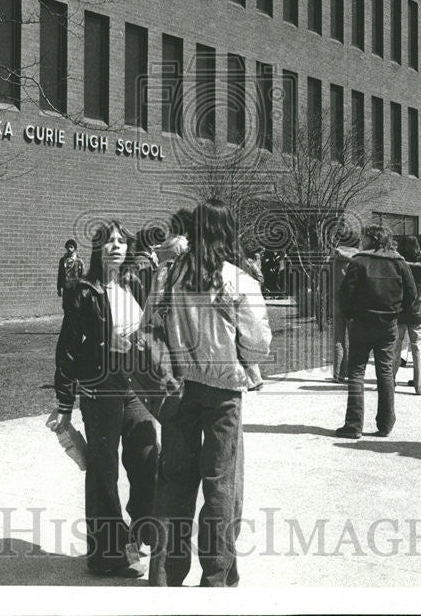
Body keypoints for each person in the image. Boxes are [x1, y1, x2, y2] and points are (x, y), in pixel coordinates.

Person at [148, 199, 271, 587]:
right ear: (228, 232)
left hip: (179, 386)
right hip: (223, 392)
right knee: (220, 483)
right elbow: (257, 344)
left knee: (174, 480)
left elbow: (151, 324)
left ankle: (166, 573)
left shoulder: (168, 276)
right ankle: (216, 575)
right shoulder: (239, 281)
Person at [48, 220, 161, 578]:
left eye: (120, 241)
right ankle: (106, 555)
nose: (116, 246)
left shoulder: (131, 287)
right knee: (103, 470)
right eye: (108, 241)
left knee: (147, 454)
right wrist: (65, 402)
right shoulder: (84, 292)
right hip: (100, 392)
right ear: (98, 249)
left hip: (133, 389)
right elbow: (67, 349)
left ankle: (139, 530)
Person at [335, 225, 415, 439]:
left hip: (362, 321)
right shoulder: (399, 262)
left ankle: (353, 425)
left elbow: (345, 294)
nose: (361, 242)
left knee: (356, 372)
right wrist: (398, 313)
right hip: (388, 323)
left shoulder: (359, 262)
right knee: (386, 372)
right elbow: (411, 293)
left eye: (363, 238)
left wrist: (350, 314)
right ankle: (386, 423)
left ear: (371, 239)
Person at [397, 235, 421, 395]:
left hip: (400, 311)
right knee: (418, 348)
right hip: (417, 310)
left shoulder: (398, 266)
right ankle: (420, 385)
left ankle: (389, 381)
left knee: (395, 347)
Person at [56, 239, 85, 311]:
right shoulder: (63, 260)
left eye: (71, 247)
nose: (69, 249)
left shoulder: (79, 261)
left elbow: (83, 275)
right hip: (66, 287)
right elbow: (60, 274)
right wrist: (59, 288)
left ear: (75, 248)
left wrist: (82, 289)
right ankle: (67, 322)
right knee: (66, 306)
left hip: (76, 288)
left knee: (75, 306)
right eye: (68, 247)